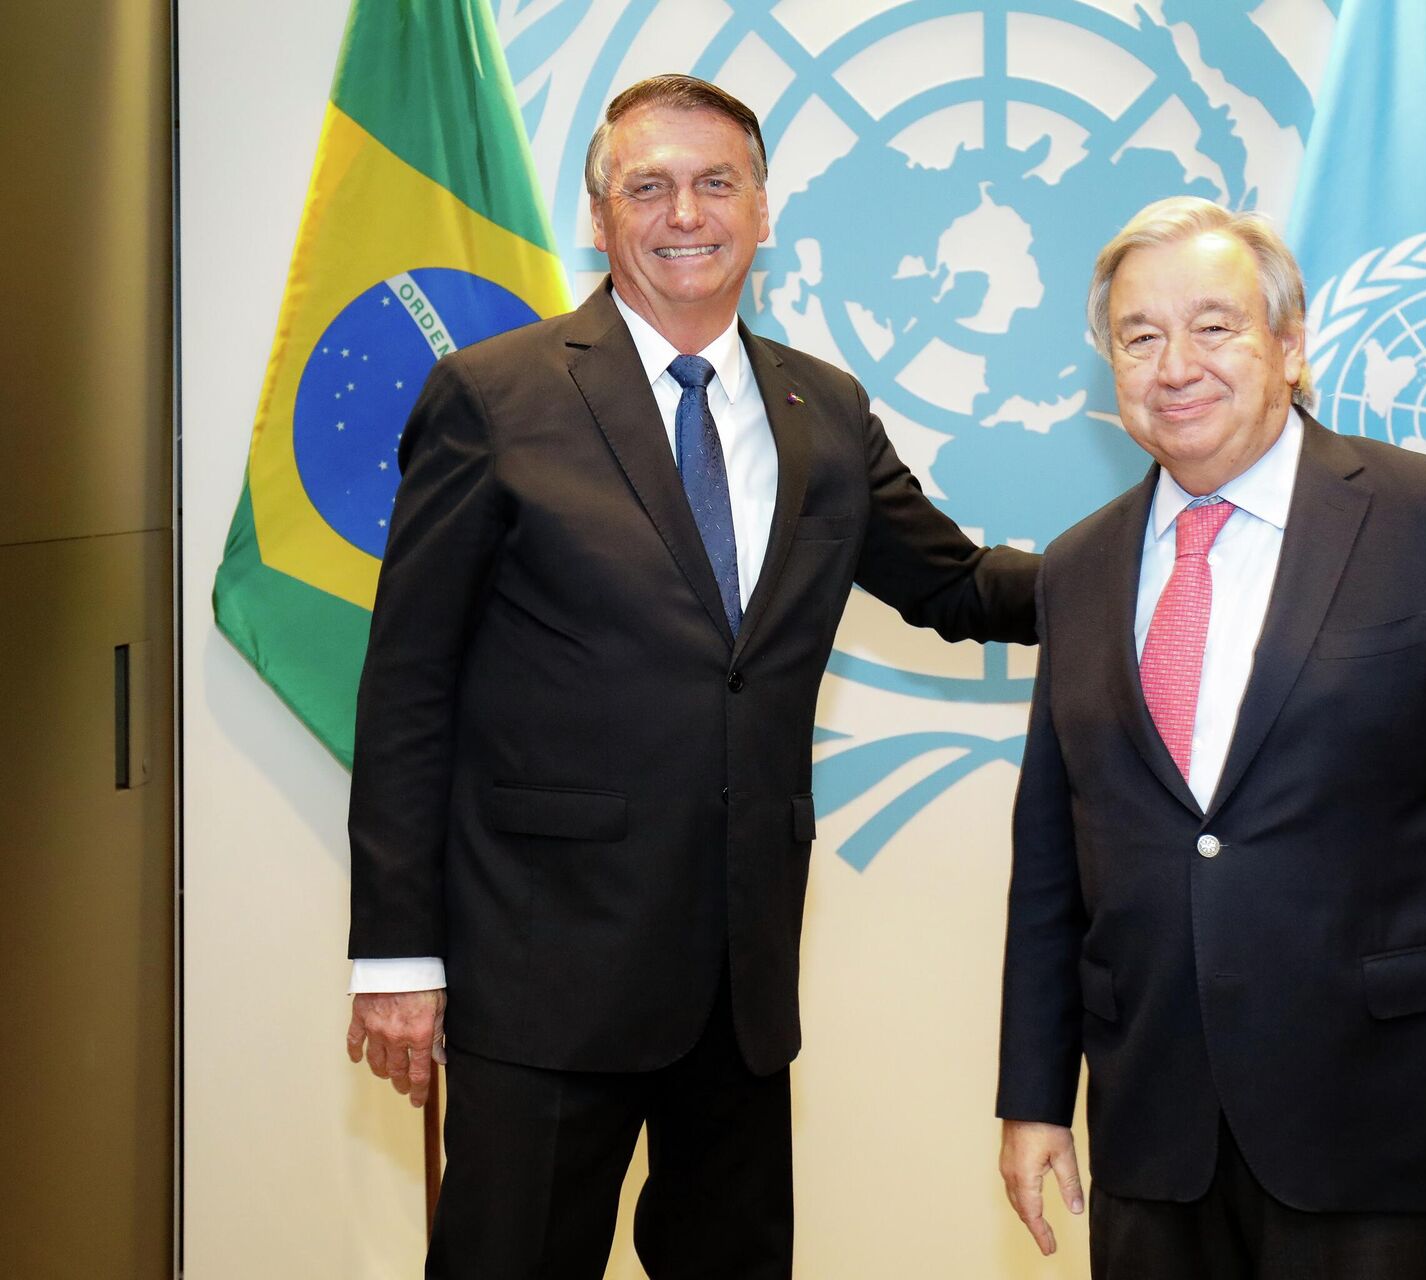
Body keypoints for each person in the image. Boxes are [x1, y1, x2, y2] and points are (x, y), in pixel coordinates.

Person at [341, 74, 1038, 1279]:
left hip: (740, 980)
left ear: (765, 210)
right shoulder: (494, 398)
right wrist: (399, 957)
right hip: (540, 970)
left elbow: (955, 584)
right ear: (600, 219)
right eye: (647, 186)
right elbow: (407, 688)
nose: (685, 213)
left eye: (717, 183)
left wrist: (1150, 553)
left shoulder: (826, 409)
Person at [995, 197, 1426, 1280]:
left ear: (1289, 340)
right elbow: (1051, 862)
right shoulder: (1078, 569)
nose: (1176, 362)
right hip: (1156, 1134)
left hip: (1393, 1128)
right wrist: (1035, 1096)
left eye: (1215, 324)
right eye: (1140, 335)